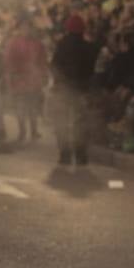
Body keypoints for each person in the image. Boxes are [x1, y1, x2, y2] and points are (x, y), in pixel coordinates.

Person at [50, 14, 99, 165]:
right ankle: (80, 155)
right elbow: (92, 69)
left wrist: (59, 81)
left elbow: (54, 65)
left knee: (62, 122)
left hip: (63, 89)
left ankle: (64, 154)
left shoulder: (62, 44)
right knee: (80, 123)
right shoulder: (89, 47)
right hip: (81, 89)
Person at [3, 17, 47, 141]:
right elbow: (9, 60)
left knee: (32, 106)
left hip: (33, 80)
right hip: (20, 79)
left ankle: (33, 130)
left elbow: (42, 60)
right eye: (23, 27)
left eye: (28, 27)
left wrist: (43, 75)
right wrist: (11, 75)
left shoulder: (38, 44)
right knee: (20, 106)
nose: (26, 30)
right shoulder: (14, 43)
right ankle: (22, 131)